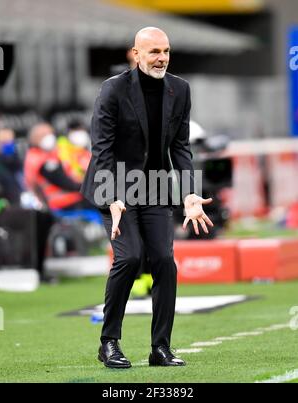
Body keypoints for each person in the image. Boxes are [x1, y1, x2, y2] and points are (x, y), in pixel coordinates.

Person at [81, 27, 214, 369]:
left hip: (153, 187)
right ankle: (109, 342)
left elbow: (180, 146)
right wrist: (111, 196)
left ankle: (161, 348)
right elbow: (102, 148)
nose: (162, 58)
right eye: (154, 51)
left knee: (164, 263)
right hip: (115, 187)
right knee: (129, 258)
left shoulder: (180, 89)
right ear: (136, 54)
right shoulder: (113, 89)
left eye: (166, 51)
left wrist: (189, 193)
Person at [24, 123, 83, 210]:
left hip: (72, 199)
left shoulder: (51, 153)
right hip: (61, 204)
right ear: (34, 139)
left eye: (50, 133)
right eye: (44, 135)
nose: (49, 137)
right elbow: (63, 182)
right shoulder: (37, 159)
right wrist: (87, 186)